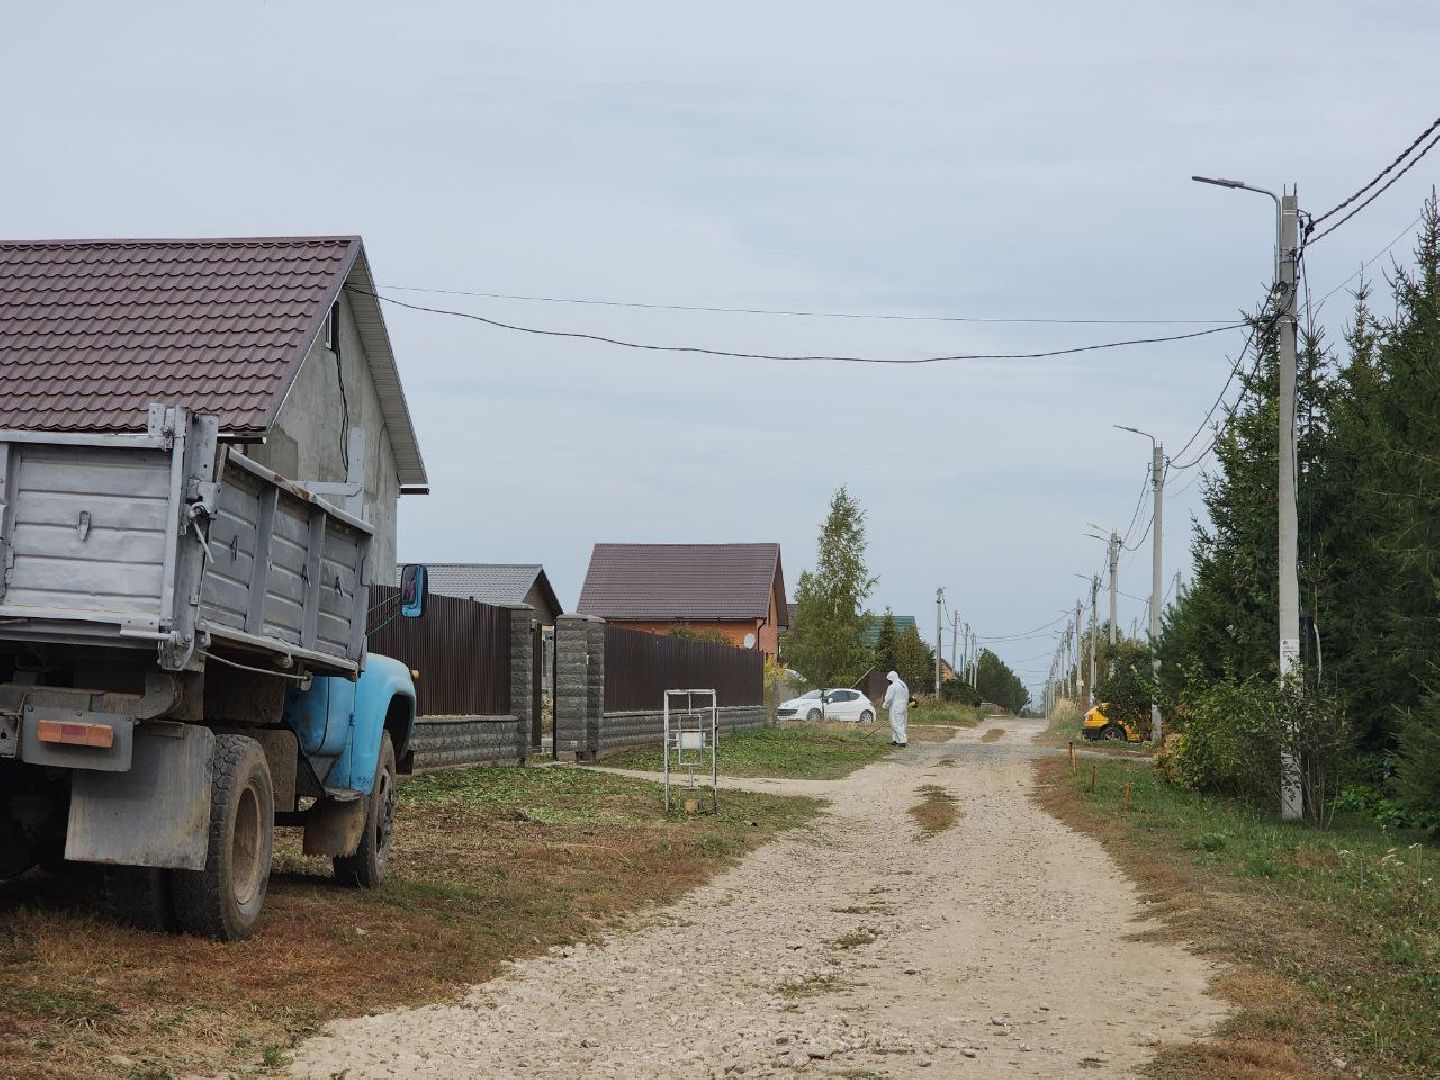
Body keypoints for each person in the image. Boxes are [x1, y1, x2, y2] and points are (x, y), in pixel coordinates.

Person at [882, 670, 909, 747]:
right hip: (903, 707)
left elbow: (889, 699)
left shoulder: (893, 686)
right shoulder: (903, 684)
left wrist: (885, 705)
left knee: (897, 724)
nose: (888, 681)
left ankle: (902, 741)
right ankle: (896, 740)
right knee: (900, 724)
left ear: (892, 679)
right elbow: (907, 695)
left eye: (889, 680)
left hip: (896, 707)